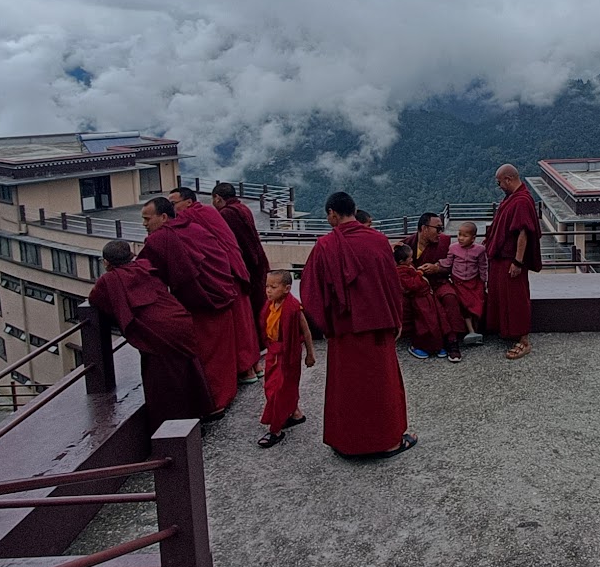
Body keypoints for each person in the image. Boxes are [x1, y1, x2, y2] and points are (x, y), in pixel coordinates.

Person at [299, 190, 416, 457]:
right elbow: (392, 284)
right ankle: (389, 442)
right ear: (354, 210)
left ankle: (347, 444)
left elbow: (311, 292)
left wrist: (328, 323)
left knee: (348, 387)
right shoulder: (378, 240)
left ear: (332, 213)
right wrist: (396, 318)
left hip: (344, 329)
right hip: (378, 325)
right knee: (381, 384)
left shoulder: (325, 245)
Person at [87, 240, 212, 425]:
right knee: (187, 370)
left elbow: (95, 299)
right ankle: (198, 414)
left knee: (162, 383)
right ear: (131, 256)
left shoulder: (109, 280)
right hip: (178, 320)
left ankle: (172, 426)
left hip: (157, 332)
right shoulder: (145, 267)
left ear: (106, 262)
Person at [137, 196, 243, 413]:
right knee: (220, 353)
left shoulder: (160, 239)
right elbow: (219, 255)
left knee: (206, 354)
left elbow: (143, 273)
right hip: (221, 292)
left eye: (147, 219)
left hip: (199, 302)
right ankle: (224, 396)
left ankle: (213, 404)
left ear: (163, 217)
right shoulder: (193, 227)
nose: (144, 224)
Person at [169, 185, 261, 384]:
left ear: (188, 202)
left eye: (173, 204)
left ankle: (246, 370)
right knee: (245, 319)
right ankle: (255, 365)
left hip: (225, 274)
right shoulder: (210, 212)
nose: (171, 209)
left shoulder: (191, 217)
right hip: (237, 267)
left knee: (237, 322)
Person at [485, 164, 542, 361]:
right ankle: (508, 331)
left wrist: (518, 261)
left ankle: (524, 340)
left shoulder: (522, 201)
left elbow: (523, 232)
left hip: (511, 260)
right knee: (504, 297)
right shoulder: (513, 198)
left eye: (499, 182)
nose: (499, 186)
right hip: (502, 258)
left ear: (508, 179)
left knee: (517, 298)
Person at [257, 270, 315, 448]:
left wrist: (310, 354)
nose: (268, 290)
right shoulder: (270, 305)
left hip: (288, 354)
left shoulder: (294, 308)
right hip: (273, 352)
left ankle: (275, 430)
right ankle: (296, 414)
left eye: (273, 287)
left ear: (287, 289)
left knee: (279, 391)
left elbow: (306, 332)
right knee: (273, 387)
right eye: (267, 286)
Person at [211, 181, 271, 335]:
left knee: (252, 307)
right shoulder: (243, 208)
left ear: (217, 198)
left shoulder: (227, 214)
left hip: (246, 263)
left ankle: (257, 338)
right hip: (257, 260)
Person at [403, 212, 463, 356]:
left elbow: (451, 266)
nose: (440, 232)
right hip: (417, 287)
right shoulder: (407, 244)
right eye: (437, 228)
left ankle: (452, 340)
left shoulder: (444, 242)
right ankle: (426, 340)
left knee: (450, 296)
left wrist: (437, 268)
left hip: (438, 282)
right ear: (424, 228)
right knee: (419, 303)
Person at [394, 244, 451, 361]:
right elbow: (412, 285)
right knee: (425, 323)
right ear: (401, 261)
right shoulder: (400, 272)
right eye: (410, 258)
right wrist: (420, 273)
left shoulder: (408, 267)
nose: (412, 260)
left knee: (437, 320)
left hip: (427, 297)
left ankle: (438, 345)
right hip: (419, 300)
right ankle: (422, 346)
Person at [442, 221, 488, 346]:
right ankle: (470, 331)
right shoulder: (453, 248)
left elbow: (483, 266)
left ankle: (476, 331)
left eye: (465, 236)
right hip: (459, 282)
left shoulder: (480, 250)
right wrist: (437, 264)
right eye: (459, 234)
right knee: (464, 306)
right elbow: (448, 262)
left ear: (473, 238)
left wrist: (484, 280)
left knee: (477, 304)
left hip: (474, 282)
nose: (460, 238)